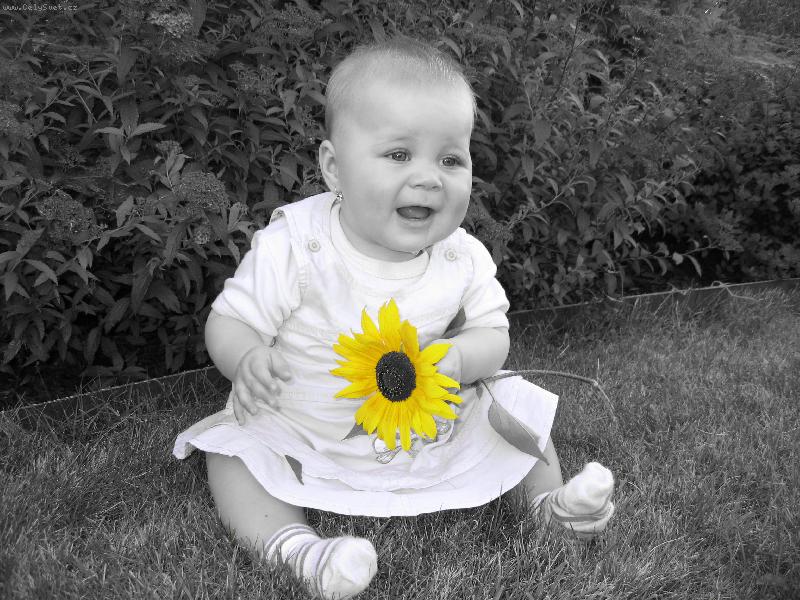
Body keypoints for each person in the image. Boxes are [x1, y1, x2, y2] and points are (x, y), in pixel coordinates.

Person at [173, 37, 615, 600]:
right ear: (334, 168)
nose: (429, 178)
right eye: (399, 155)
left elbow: (493, 334)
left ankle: (550, 508)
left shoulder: (461, 255)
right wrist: (246, 357)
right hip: (306, 426)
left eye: (450, 159)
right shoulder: (299, 243)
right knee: (233, 452)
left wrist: (460, 357)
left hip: (429, 428)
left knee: (512, 402)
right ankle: (299, 550)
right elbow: (229, 320)